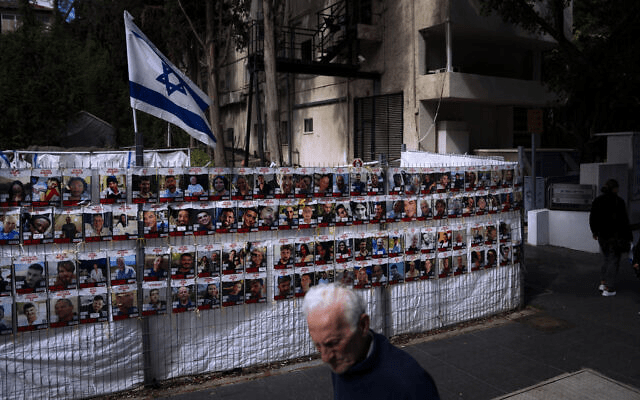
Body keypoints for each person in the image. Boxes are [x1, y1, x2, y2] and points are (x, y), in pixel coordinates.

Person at [303, 284, 439, 399]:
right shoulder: (344, 359)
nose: (325, 358)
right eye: (318, 345)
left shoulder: (410, 383)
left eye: (333, 343)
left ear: (363, 325)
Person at [589, 179, 632, 296]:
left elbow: (593, 217)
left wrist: (594, 232)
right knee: (613, 260)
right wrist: (629, 237)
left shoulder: (598, 200)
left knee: (606, 258)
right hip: (615, 236)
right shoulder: (619, 201)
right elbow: (624, 221)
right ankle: (609, 288)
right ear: (615, 189)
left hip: (602, 235)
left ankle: (603, 282)